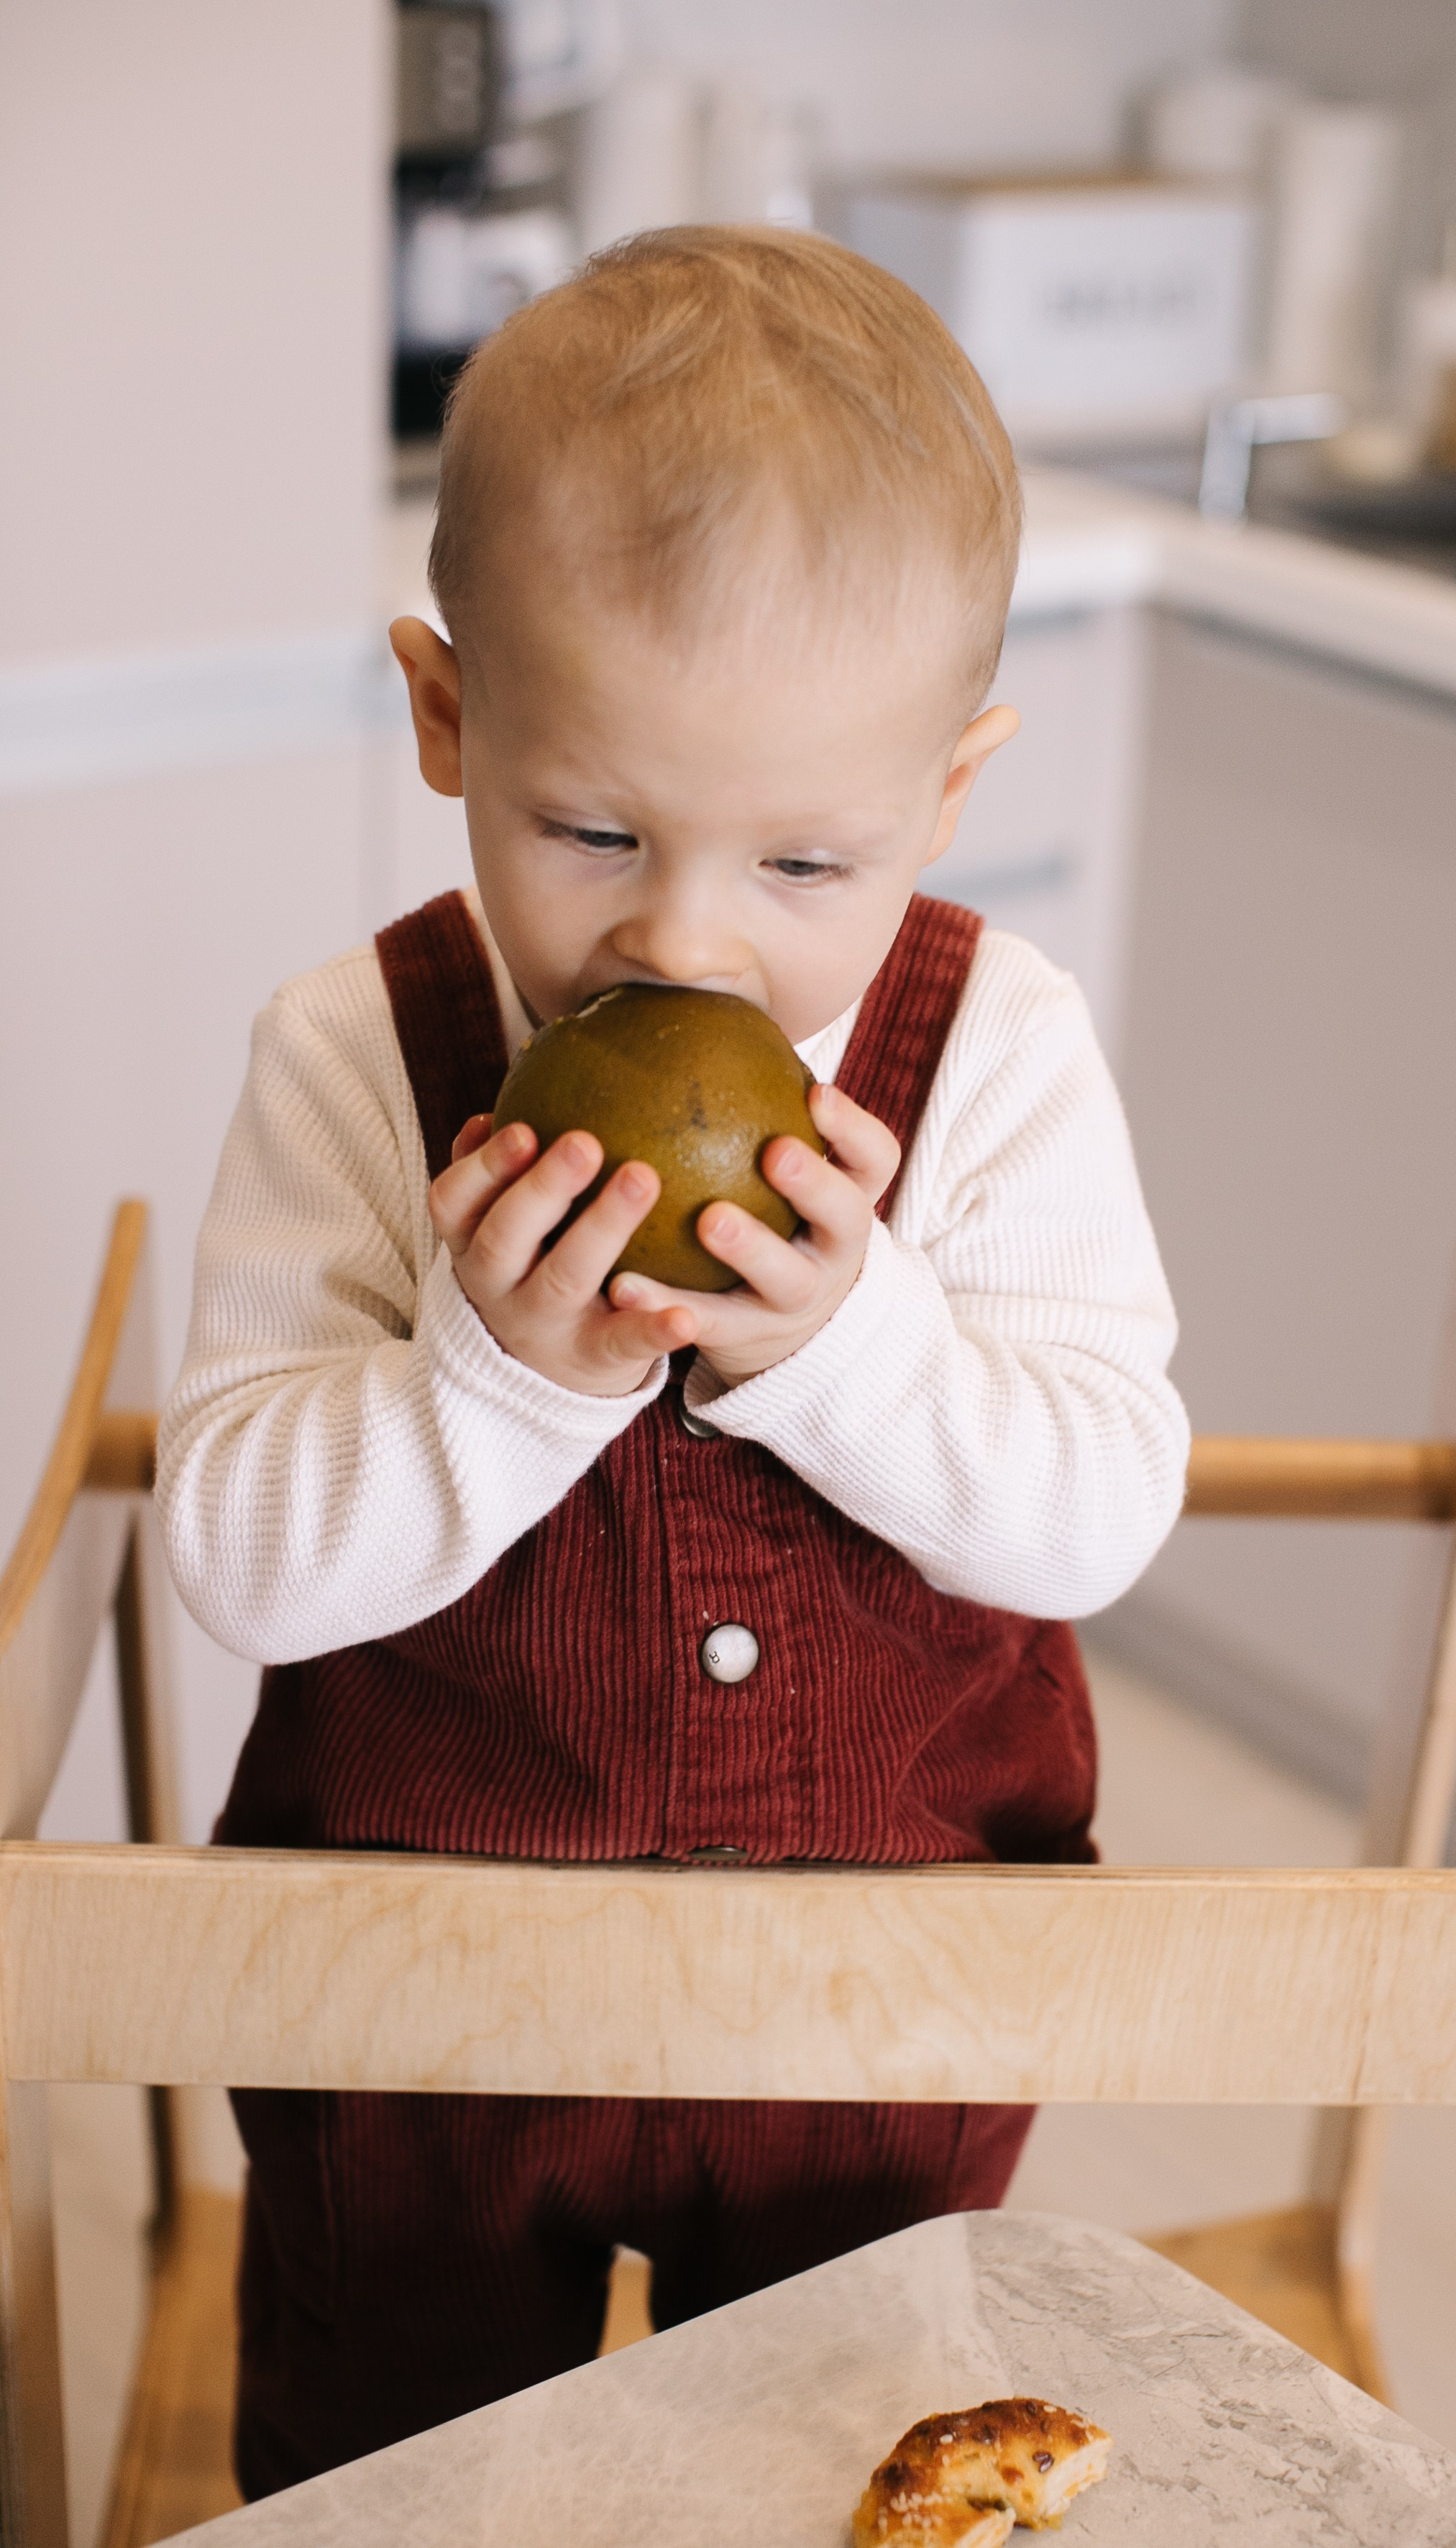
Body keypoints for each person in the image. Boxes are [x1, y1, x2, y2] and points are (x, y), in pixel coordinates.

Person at [158, 226, 1189, 2496]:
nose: (683, 939)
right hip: (418, 2006)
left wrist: (850, 1345)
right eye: (595, 830)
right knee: (395, 2481)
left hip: (874, 2014)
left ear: (948, 789)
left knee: (832, 2465)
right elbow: (235, 1549)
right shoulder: (356, 1055)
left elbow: (1100, 1500)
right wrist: (492, 1386)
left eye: (807, 857)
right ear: (448, 716)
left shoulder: (995, 1060)